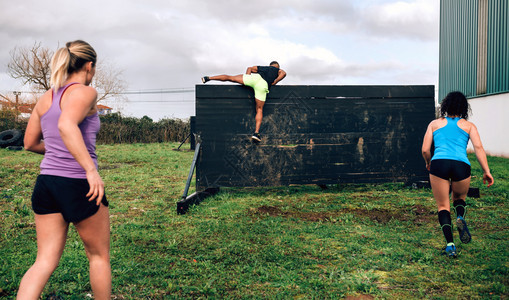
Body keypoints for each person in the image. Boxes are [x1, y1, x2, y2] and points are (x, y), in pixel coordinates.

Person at [18, 40, 111, 299]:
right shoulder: (85, 92)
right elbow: (66, 125)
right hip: (78, 184)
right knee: (98, 256)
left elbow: (29, 143)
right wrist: (90, 170)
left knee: (44, 261)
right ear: (89, 66)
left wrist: (60, 151)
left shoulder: (46, 97)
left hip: (47, 183)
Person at [422, 91, 494, 258]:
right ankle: (460, 216)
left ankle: (450, 245)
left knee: (443, 206)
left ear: (445, 106)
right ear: (464, 107)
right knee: (459, 199)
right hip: (461, 165)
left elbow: (425, 149)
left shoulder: (434, 124)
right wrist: (486, 171)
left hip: (439, 163)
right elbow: (478, 148)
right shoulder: (469, 126)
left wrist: (428, 162)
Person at [201, 61, 287, 142]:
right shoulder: (278, 70)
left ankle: (208, 78)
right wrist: (275, 82)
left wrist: (247, 80)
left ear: (269, 65)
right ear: (277, 67)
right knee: (259, 109)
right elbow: (283, 73)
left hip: (254, 78)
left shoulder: (263, 68)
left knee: (230, 78)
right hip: (263, 85)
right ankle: (256, 133)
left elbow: (249, 68)